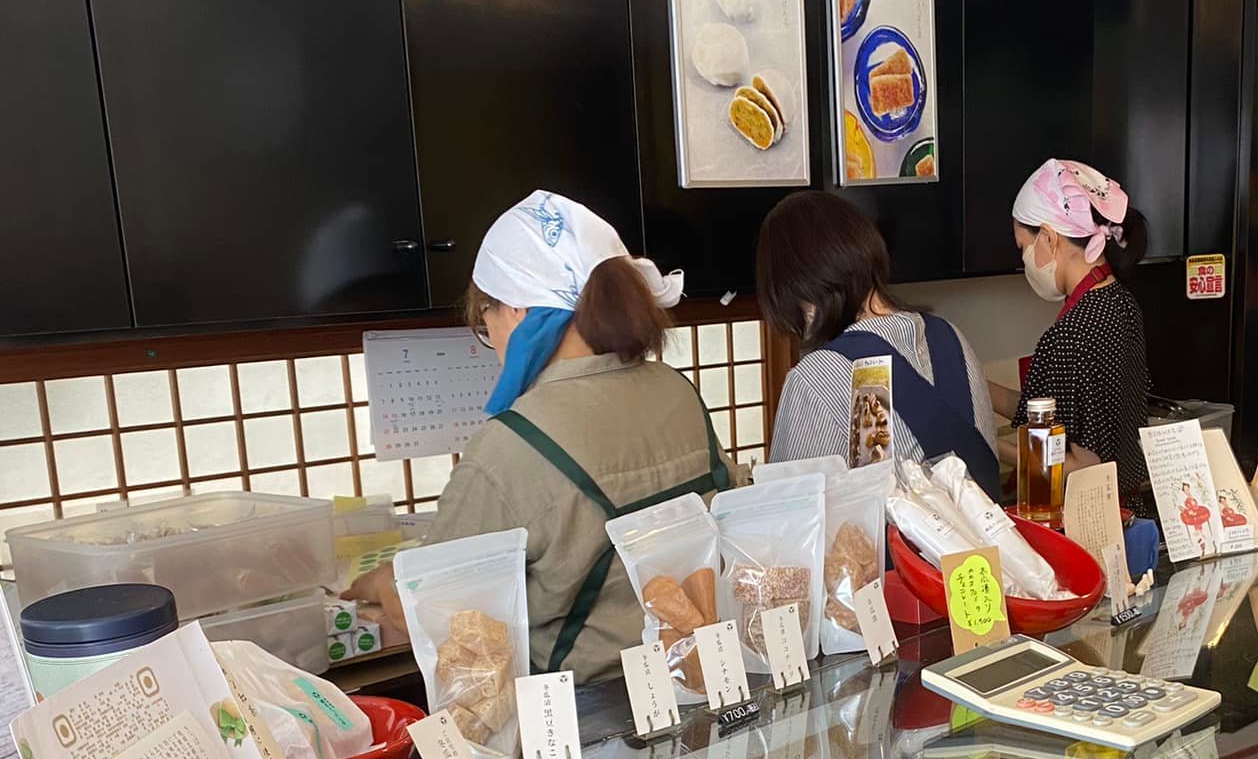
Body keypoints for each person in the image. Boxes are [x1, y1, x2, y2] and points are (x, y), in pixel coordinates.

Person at [349, 192, 728, 683]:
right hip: (702, 678)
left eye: (486, 316)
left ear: (517, 310)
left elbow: (435, 606)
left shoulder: (513, 444)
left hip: (584, 712)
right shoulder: (677, 392)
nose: (489, 335)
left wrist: (380, 583)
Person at [755, 191, 999, 492]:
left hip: (891, 527)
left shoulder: (817, 375)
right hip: (988, 522)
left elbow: (789, 507)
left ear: (795, 288)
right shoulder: (952, 337)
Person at [1002, 158, 1150, 485]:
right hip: (1129, 497)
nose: (1024, 260)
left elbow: (1082, 467)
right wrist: (974, 389)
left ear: (1048, 237)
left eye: (1023, 248)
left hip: (1092, 506)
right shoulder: (1120, 303)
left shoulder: (1071, 333)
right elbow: (1047, 407)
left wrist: (987, 443)